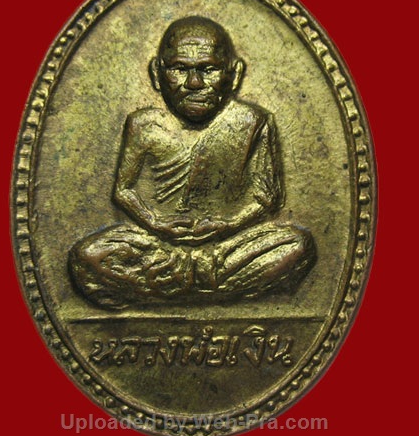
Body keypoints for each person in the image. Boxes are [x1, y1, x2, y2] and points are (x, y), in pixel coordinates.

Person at [69, 16, 316, 307]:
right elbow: (123, 191)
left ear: (234, 74)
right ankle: (213, 289)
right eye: (179, 69)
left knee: (298, 246)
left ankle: (164, 289)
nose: (194, 83)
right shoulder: (143, 124)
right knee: (87, 256)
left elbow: (268, 200)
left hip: (227, 248)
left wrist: (226, 226)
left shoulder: (252, 121)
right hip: (159, 247)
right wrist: (156, 224)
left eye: (208, 69)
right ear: (156, 74)